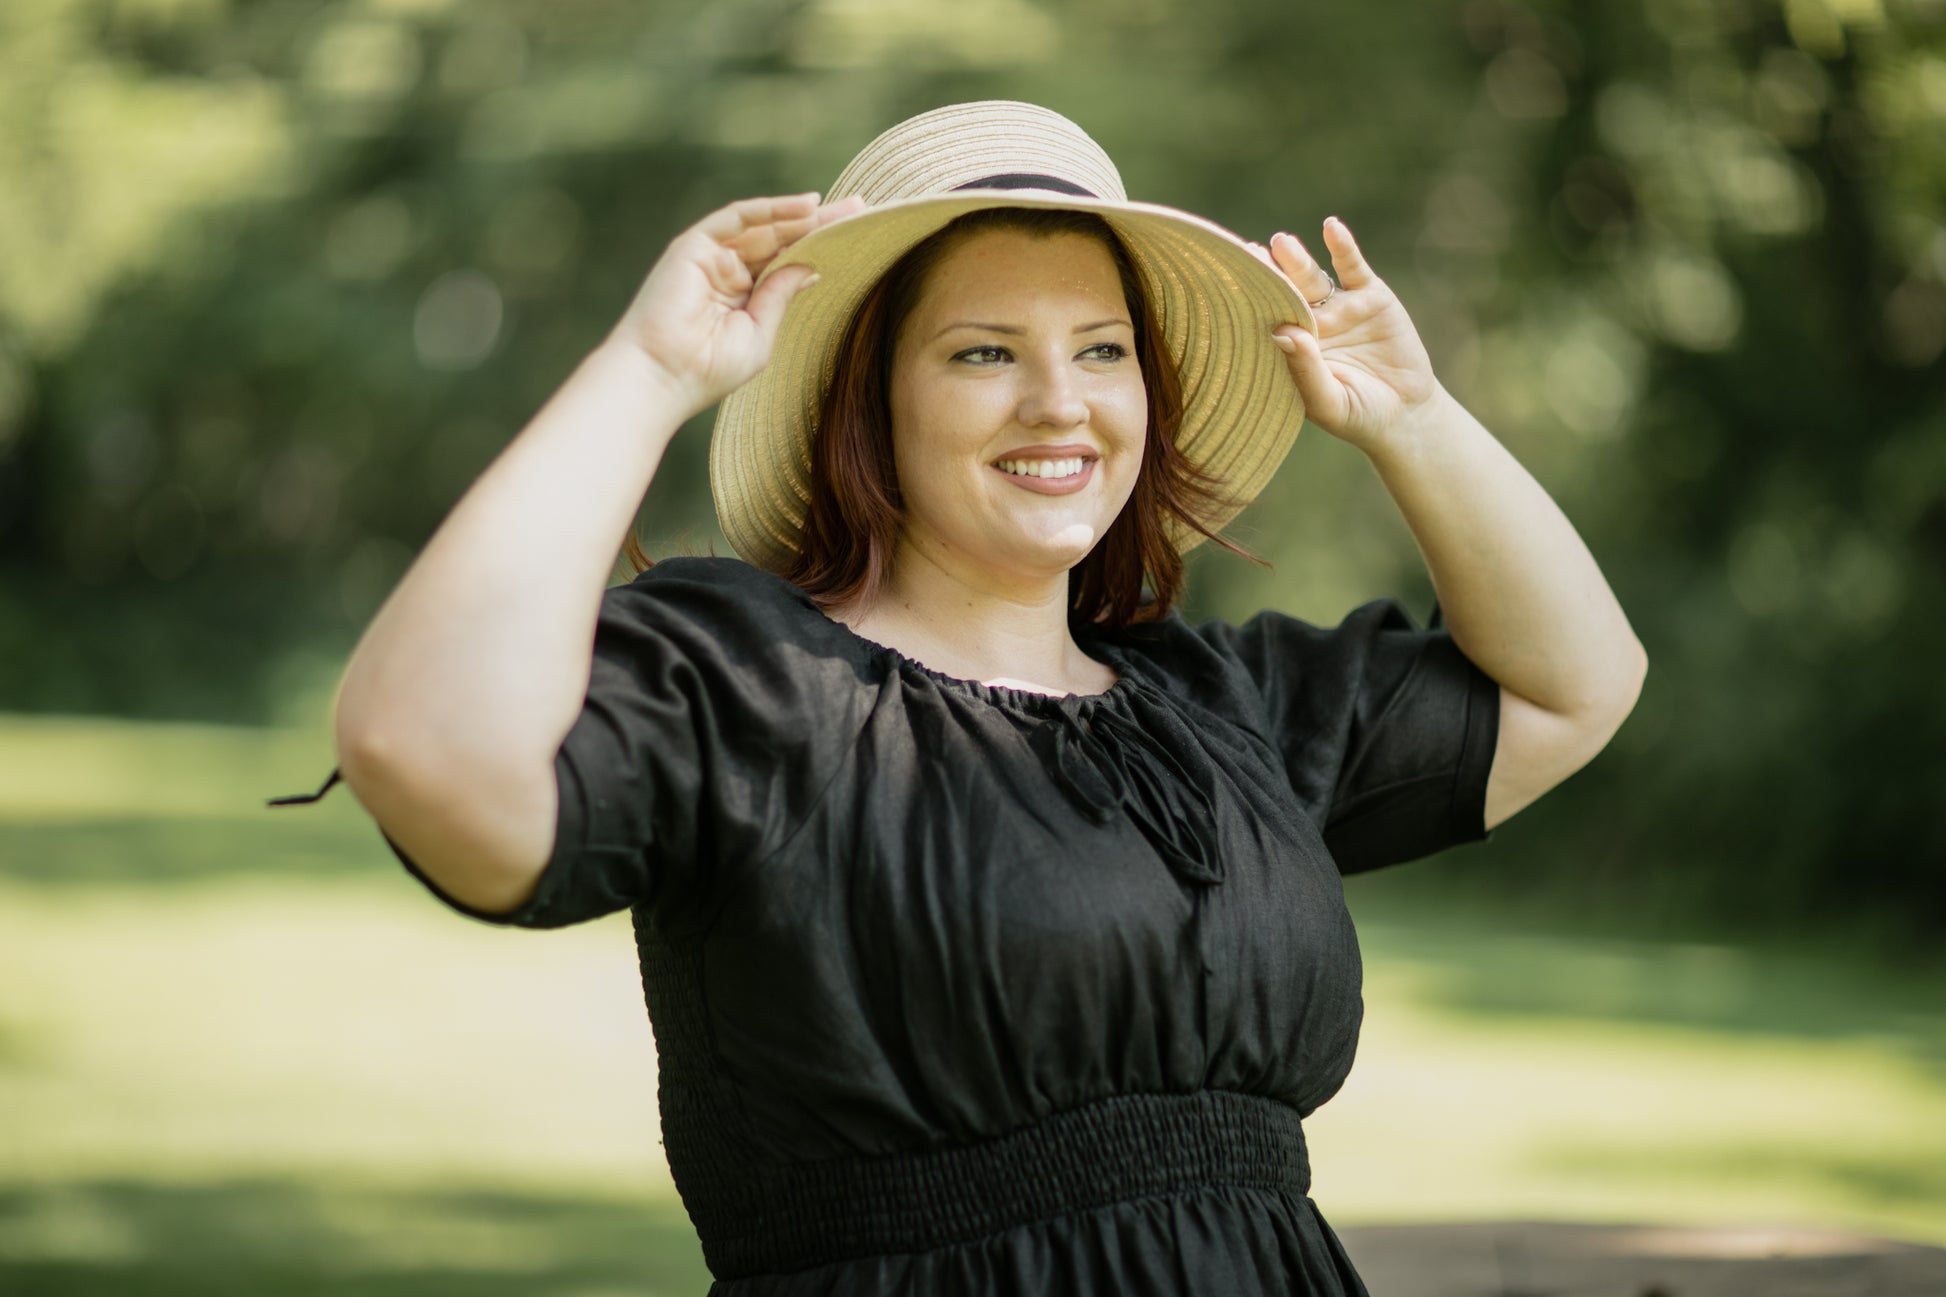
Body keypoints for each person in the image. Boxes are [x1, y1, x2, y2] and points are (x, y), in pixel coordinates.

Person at [282, 101, 1646, 1294]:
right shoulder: (751, 681)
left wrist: (1415, 419)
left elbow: (1577, 684)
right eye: (982, 352)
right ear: (868, 403)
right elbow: (422, 742)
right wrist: (647, 377)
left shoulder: (1215, 700)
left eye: (1103, 350)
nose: (1059, 403)